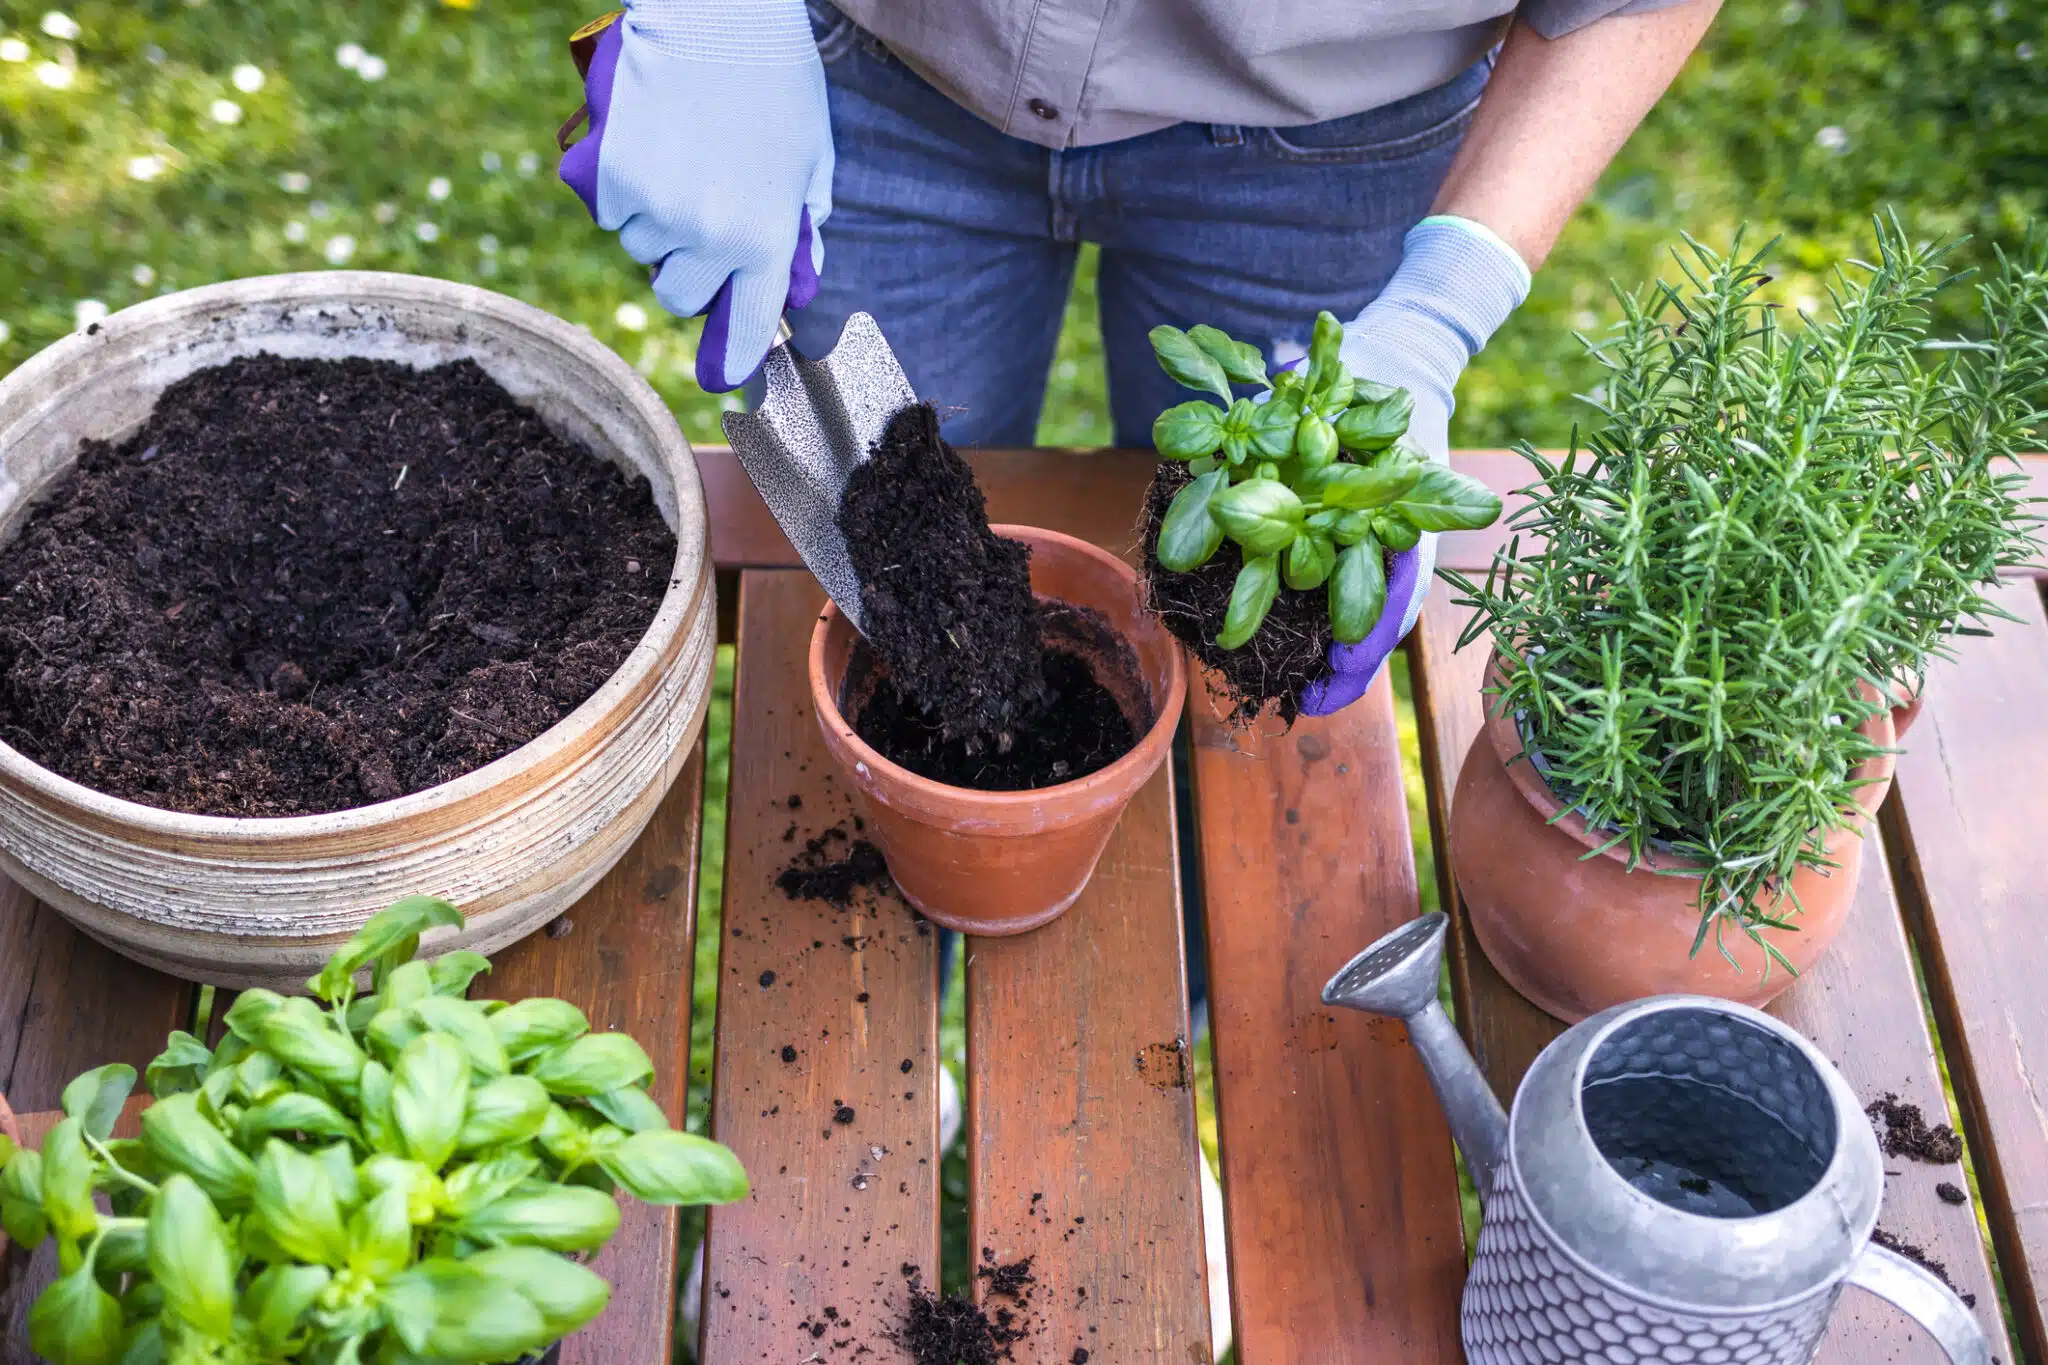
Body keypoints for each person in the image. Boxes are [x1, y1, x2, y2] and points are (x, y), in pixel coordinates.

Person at [562, 0, 1722, 1349]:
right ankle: (885, 1073)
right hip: (884, 69)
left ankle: (1141, 1092)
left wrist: (1440, 313)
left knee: (1229, 648)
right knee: (898, 621)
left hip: (1322, 134)